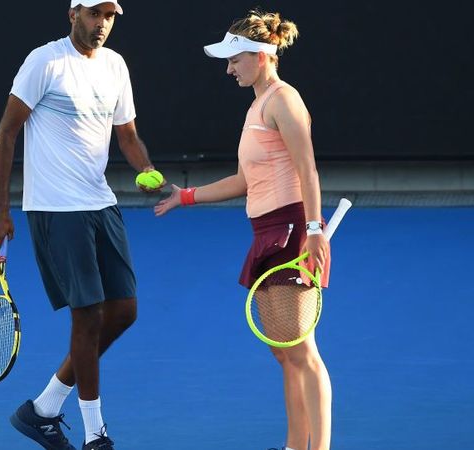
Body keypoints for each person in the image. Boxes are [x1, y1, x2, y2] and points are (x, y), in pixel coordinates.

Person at [0, 1, 164, 449]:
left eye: (109, 16)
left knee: (124, 311)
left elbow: (127, 134)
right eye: (93, 14)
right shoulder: (44, 62)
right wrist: (0, 208)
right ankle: (94, 435)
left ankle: (43, 408)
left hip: (100, 203)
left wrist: (146, 168)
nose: (102, 24)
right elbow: (6, 132)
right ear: (73, 15)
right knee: (87, 316)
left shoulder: (115, 65)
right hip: (55, 209)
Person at [154, 10, 332, 450]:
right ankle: (295, 446)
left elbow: (307, 168)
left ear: (260, 56)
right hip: (266, 233)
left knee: (303, 351)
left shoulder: (284, 100)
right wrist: (185, 196)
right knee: (284, 352)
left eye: (235, 61)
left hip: (292, 230)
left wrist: (313, 229)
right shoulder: (257, 105)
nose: (229, 70)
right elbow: (243, 180)